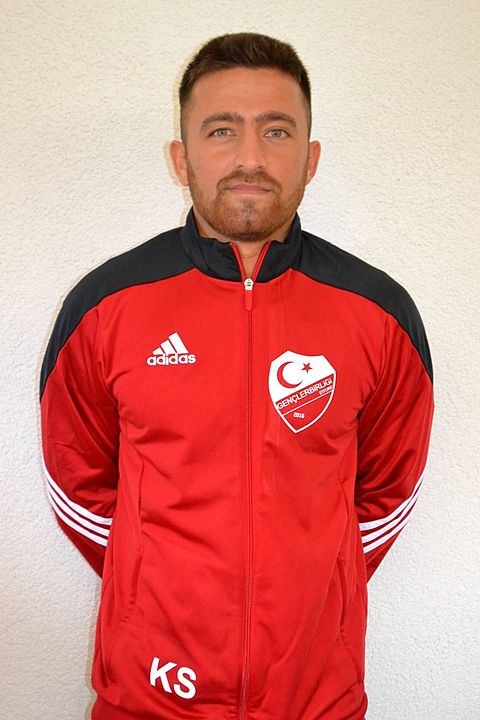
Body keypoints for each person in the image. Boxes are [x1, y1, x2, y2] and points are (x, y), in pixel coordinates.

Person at [40, 32, 434, 720]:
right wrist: (150, 588)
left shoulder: (380, 314)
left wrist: (317, 589)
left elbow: (388, 491)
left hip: (316, 700)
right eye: (221, 130)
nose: (250, 157)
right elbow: (79, 483)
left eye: (276, 131)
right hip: (149, 698)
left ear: (311, 158)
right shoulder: (105, 307)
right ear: (180, 157)